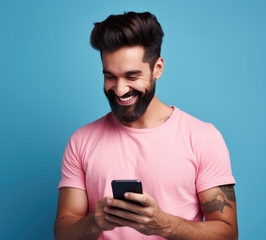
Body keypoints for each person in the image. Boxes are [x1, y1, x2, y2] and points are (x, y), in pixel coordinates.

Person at [54, 11, 238, 240]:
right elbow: (63, 233)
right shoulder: (81, 141)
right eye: (110, 76)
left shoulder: (202, 138)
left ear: (157, 68)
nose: (120, 90)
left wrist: (165, 226)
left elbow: (228, 234)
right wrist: (95, 222)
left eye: (132, 76)